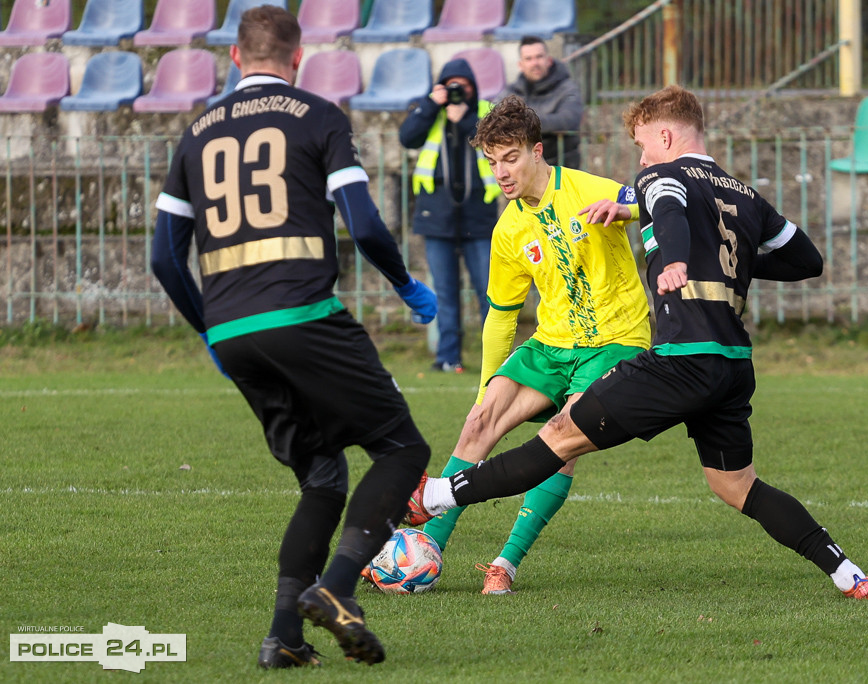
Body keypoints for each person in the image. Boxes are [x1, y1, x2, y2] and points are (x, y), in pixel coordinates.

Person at [408, 85, 868, 601]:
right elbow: (807, 261)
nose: (639, 158)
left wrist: (676, 256)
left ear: (664, 134)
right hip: (732, 365)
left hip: (678, 362)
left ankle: (434, 496)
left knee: (562, 436)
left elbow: (666, 207)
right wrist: (737, 259)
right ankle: (848, 573)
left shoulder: (661, 175)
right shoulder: (741, 193)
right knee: (735, 486)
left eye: (641, 145)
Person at [151, 6, 438, 670]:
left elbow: (165, 258)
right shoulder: (317, 116)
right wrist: (404, 285)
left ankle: (284, 637)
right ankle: (337, 590)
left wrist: (212, 335)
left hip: (234, 330)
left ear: (233, 58)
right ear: (298, 57)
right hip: (303, 315)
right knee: (401, 448)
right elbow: (363, 226)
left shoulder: (196, 131)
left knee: (322, 476)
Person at [415, 95, 650, 595]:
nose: (501, 172)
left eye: (510, 158)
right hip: (552, 343)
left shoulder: (588, 188)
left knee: (562, 438)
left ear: (537, 151)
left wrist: (627, 208)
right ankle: (428, 548)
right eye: (492, 161)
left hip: (615, 340)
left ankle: (506, 561)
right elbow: (500, 318)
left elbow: (651, 202)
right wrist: (485, 390)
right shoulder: (508, 229)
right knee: (480, 421)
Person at [400, 58, 501, 373]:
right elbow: (407, 137)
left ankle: (495, 361)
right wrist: (433, 105)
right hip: (437, 212)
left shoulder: (486, 112)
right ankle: (448, 357)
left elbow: (497, 140)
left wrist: (465, 119)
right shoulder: (428, 109)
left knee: (489, 291)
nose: (458, 90)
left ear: (473, 87)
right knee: (444, 291)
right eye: (451, 84)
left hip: (478, 213)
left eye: (464, 85)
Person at [500, 36, 584, 169]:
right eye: (529, 59)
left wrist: (523, 122)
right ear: (520, 65)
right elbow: (496, 123)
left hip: (562, 168)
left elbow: (570, 120)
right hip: (523, 170)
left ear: (549, 60)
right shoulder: (511, 93)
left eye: (539, 57)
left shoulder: (567, 87)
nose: (535, 63)